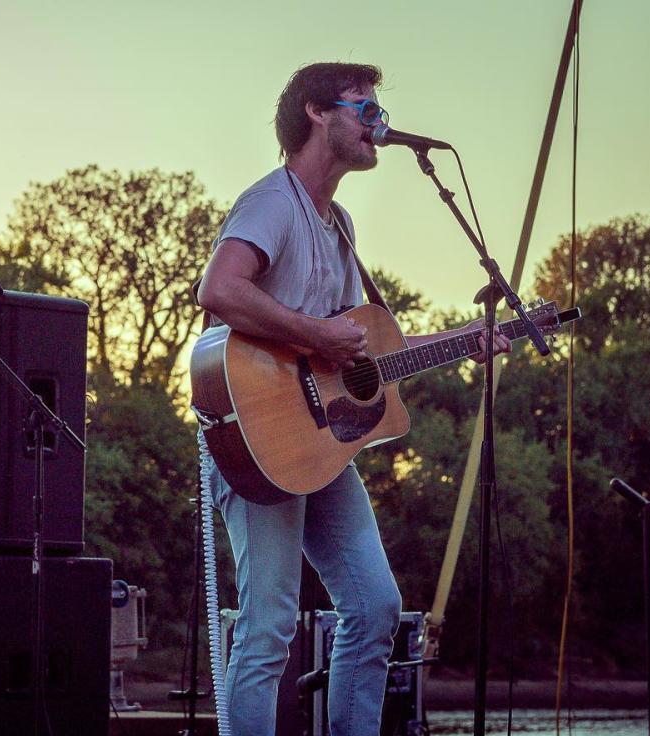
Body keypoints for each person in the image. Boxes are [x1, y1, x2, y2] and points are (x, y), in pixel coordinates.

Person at [195, 62, 509, 735]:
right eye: (366, 111)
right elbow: (219, 290)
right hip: (253, 435)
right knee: (270, 625)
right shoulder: (272, 202)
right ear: (316, 112)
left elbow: (362, 350)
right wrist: (314, 334)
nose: (380, 127)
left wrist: (469, 337)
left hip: (315, 446)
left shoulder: (337, 226)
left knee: (373, 606)